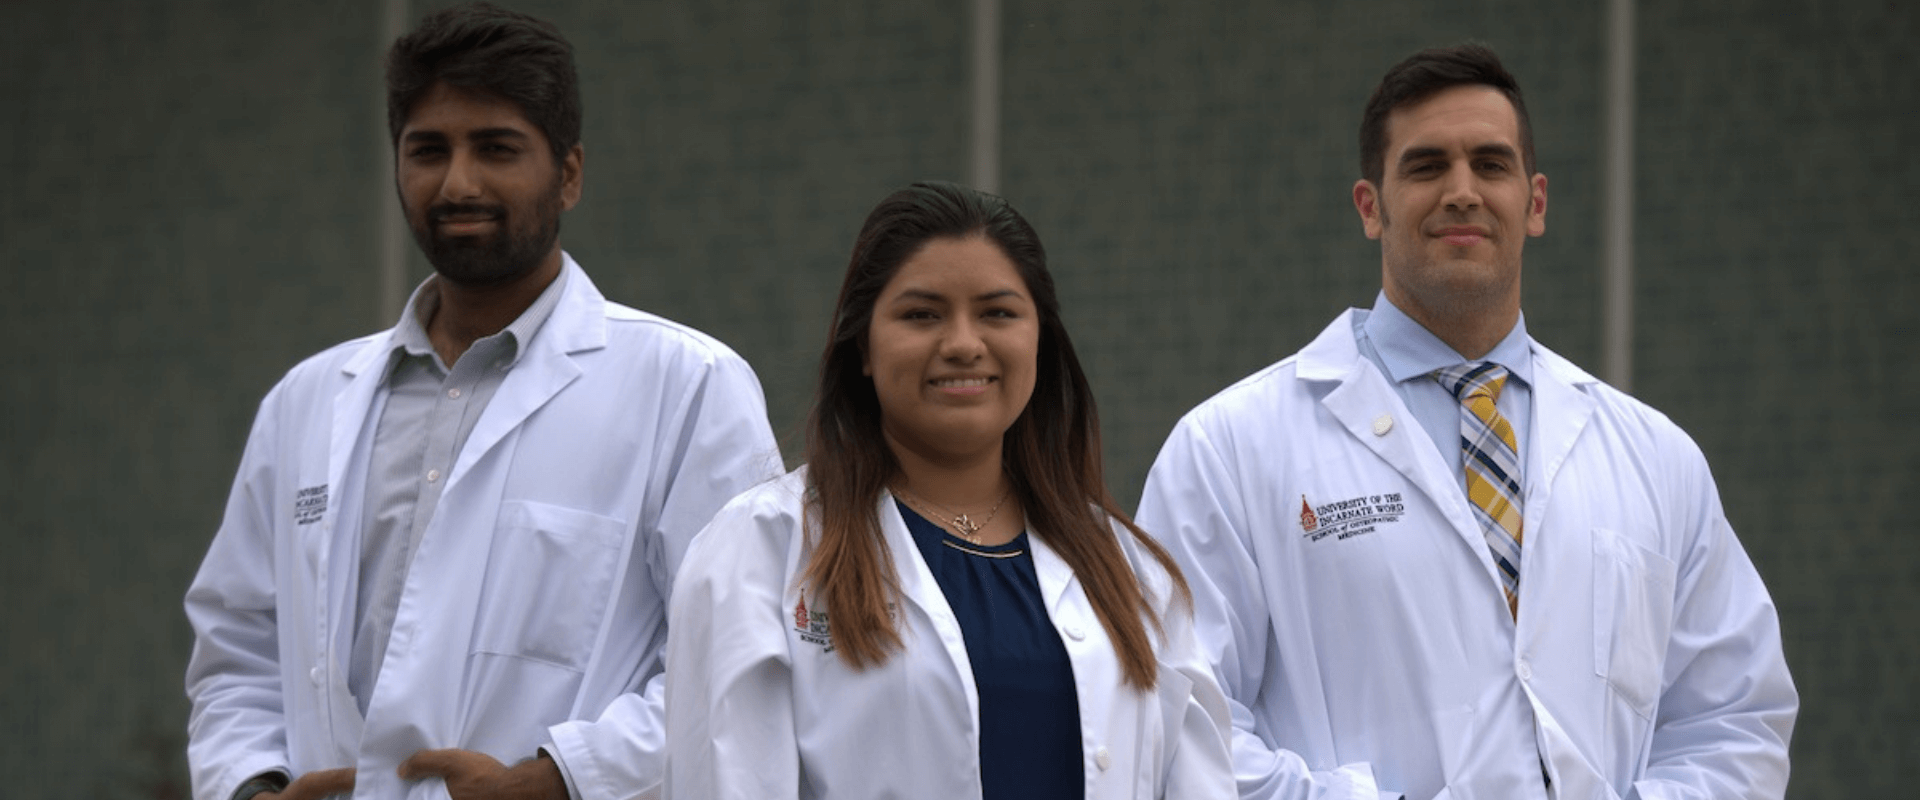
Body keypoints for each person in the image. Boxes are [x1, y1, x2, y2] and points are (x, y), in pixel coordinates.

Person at [1135, 44, 1797, 800]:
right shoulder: (1227, 449)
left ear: (1535, 202)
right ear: (1369, 207)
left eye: (1491, 164)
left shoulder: (1656, 457)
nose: (1462, 192)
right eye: (1425, 167)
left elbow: (1735, 722)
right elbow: (1184, 723)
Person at [182, 4, 783, 800]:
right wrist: (251, 787)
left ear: (568, 174)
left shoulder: (688, 386)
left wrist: (558, 780)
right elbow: (238, 652)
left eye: (496, 149)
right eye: (428, 150)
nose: (458, 183)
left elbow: (742, 659)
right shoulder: (306, 402)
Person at [663, 181, 1233, 799]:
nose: (964, 344)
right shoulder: (764, 550)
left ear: (1039, 337)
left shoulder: (1128, 570)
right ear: (863, 347)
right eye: (921, 314)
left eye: (998, 312)